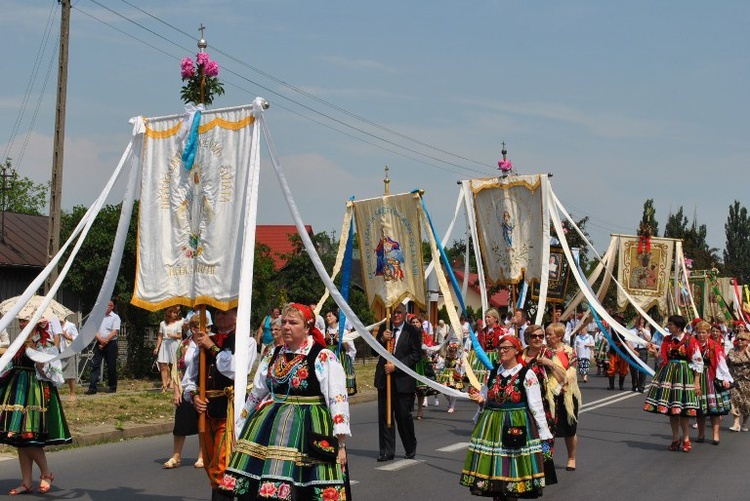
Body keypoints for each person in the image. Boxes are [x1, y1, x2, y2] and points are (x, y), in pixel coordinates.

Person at [220, 303, 351, 500]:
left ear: (307, 327)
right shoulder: (274, 354)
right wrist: (242, 424)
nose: (286, 327)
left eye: (293, 322)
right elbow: (257, 392)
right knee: (264, 482)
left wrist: (340, 445)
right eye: (284, 322)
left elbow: (337, 399)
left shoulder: (322, 356)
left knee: (310, 483)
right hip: (272, 427)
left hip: (310, 425)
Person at [460, 334, 553, 499]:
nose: (502, 351)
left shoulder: (526, 374)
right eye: (500, 348)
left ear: (516, 350)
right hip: (492, 426)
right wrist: (479, 400)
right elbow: (486, 398)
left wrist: (544, 433)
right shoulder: (494, 373)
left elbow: (536, 406)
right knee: (494, 471)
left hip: (516, 423)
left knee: (512, 467)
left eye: (506, 348)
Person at [190, 307, 257, 500]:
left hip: (229, 409)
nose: (220, 317)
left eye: (225, 313)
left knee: (222, 464)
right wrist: (194, 395)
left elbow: (236, 369)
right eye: (217, 313)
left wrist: (212, 347)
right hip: (205, 410)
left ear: (237, 316)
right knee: (211, 464)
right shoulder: (205, 340)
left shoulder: (246, 340)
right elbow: (192, 375)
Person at [0, 316, 72, 495]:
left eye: (26, 321)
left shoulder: (45, 341)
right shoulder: (19, 341)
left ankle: (46, 473)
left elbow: (50, 372)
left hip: (35, 391)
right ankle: (26, 482)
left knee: (30, 435)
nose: (22, 324)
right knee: (20, 440)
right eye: (21, 321)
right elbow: (10, 364)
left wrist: (36, 354)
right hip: (17, 390)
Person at [644, 315, 703, 452]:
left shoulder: (690, 340)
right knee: (672, 410)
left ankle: (686, 438)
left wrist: (696, 383)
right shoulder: (667, 340)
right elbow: (661, 359)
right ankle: (675, 438)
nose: (668, 327)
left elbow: (698, 362)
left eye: (671, 325)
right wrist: (654, 353)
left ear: (678, 327)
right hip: (668, 376)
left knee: (683, 410)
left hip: (683, 376)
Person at [373, 304, 422, 461]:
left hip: (402, 381)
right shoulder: (384, 328)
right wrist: (382, 339)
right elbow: (374, 351)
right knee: (385, 416)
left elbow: (416, 355)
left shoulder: (412, 331)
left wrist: (397, 366)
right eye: (393, 312)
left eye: (399, 312)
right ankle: (387, 451)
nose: (396, 315)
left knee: (403, 416)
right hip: (384, 379)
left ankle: (410, 446)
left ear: (405, 314)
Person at [521, 324, 562, 486]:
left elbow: (563, 377)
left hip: (545, 403)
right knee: (526, 438)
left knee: (545, 438)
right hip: (523, 404)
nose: (538, 339)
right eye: (534, 336)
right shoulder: (520, 357)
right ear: (527, 339)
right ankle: (528, 470)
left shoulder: (548, 354)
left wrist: (549, 363)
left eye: (540, 336)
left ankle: (545, 473)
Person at [163, 315, 204, 469]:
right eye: (201, 327)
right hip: (186, 387)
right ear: (193, 329)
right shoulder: (184, 345)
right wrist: (176, 390)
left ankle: (202, 455)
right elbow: (177, 368)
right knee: (180, 421)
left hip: (203, 388)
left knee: (202, 421)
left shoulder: (207, 344)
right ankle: (176, 455)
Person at [545, 322, 582, 471]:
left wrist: (560, 384)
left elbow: (570, 373)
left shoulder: (569, 351)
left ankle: (571, 457)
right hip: (549, 395)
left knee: (570, 429)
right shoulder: (544, 352)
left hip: (567, 393)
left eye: (550, 334)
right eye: (546, 334)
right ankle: (547, 459)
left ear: (559, 336)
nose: (547, 337)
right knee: (547, 429)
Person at [693, 320, 732, 444]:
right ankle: (701, 433)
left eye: (704, 332)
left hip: (711, 377)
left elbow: (721, 363)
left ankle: (716, 435)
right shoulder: (693, 345)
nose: (701, 335)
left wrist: (726, 379)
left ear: (708, 333)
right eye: (699, 333)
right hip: (697, 377)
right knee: (700, 409)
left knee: (715, 410)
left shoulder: (715, 346)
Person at [86, 300, 121, 395]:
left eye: (108, 305)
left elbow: (115, 332)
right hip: (99, 342)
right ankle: (92, 387)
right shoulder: (99, 317)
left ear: (112, 307)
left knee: (111, 366)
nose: (106, 307)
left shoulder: (115, 317)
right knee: (95, 365)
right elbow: (94, 330)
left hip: (111, 344)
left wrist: (105, 342)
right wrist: (100, 340)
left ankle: (112, 386)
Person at [154, 306, 184, 393]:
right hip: (164, 344)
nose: (175, 314)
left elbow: (180, 336)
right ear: (169, 313)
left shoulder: (178, 324)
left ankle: (175, 384)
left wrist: (172, 336)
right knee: (163, 365)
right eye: (174, 313)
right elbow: (160, 336)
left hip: (174, 344)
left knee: (174, 365)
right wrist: (157, 347)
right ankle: (164, 385)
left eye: (176, 313)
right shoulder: (162, 323)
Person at [726, 328, 750, 432]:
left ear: (747, 342)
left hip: (747, 381)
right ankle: (736, 423)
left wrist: (747, 352)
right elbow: (729, 362)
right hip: (735, 380)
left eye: (743, 340)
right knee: (735, 400)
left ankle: (744, 423)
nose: (740, 341)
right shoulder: (732, 351)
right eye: (739, 339)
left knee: (746, 403)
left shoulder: (749, 352)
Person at [436, 343, 463, 413]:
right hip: (446, 375)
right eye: (450, 351)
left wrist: (459, 366)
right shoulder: (445, 358)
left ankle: (452, 406)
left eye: (453, 351)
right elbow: (441, 366)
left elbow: (459, 369)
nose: (451, 353)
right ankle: (451, 403)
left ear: (455, 351)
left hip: (454, 375)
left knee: (454, 390)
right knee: (444, 390)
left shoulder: (458, 359)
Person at [58, 316, 79, 401]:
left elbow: (77, 338)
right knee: (56, 373)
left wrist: (67, 337)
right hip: (58, 351)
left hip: (68, 350)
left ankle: (72, 393)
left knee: (70, 374)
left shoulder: (70, 325)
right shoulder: (55, 326)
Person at [630, 316, 652, 392]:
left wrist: (642, 331)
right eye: (639, 323)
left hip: (643, 351)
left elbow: (649, 339)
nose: (640, 325)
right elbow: (627, 341)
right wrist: (633, 351)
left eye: (642, 323)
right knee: (633, 369)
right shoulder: (631, 331)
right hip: (634, 350)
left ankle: (641, 386)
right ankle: (634, 385)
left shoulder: (646, 331)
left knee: (642, 369)